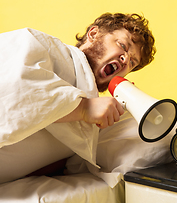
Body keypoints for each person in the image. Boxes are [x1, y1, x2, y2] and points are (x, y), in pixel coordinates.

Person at [0, 12, 156, 184]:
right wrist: (83, 108)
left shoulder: (93, 116)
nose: (125, 60)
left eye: (133, 62)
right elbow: (12, 90)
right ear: (94, 34)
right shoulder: (39, 44)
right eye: (122, 46)